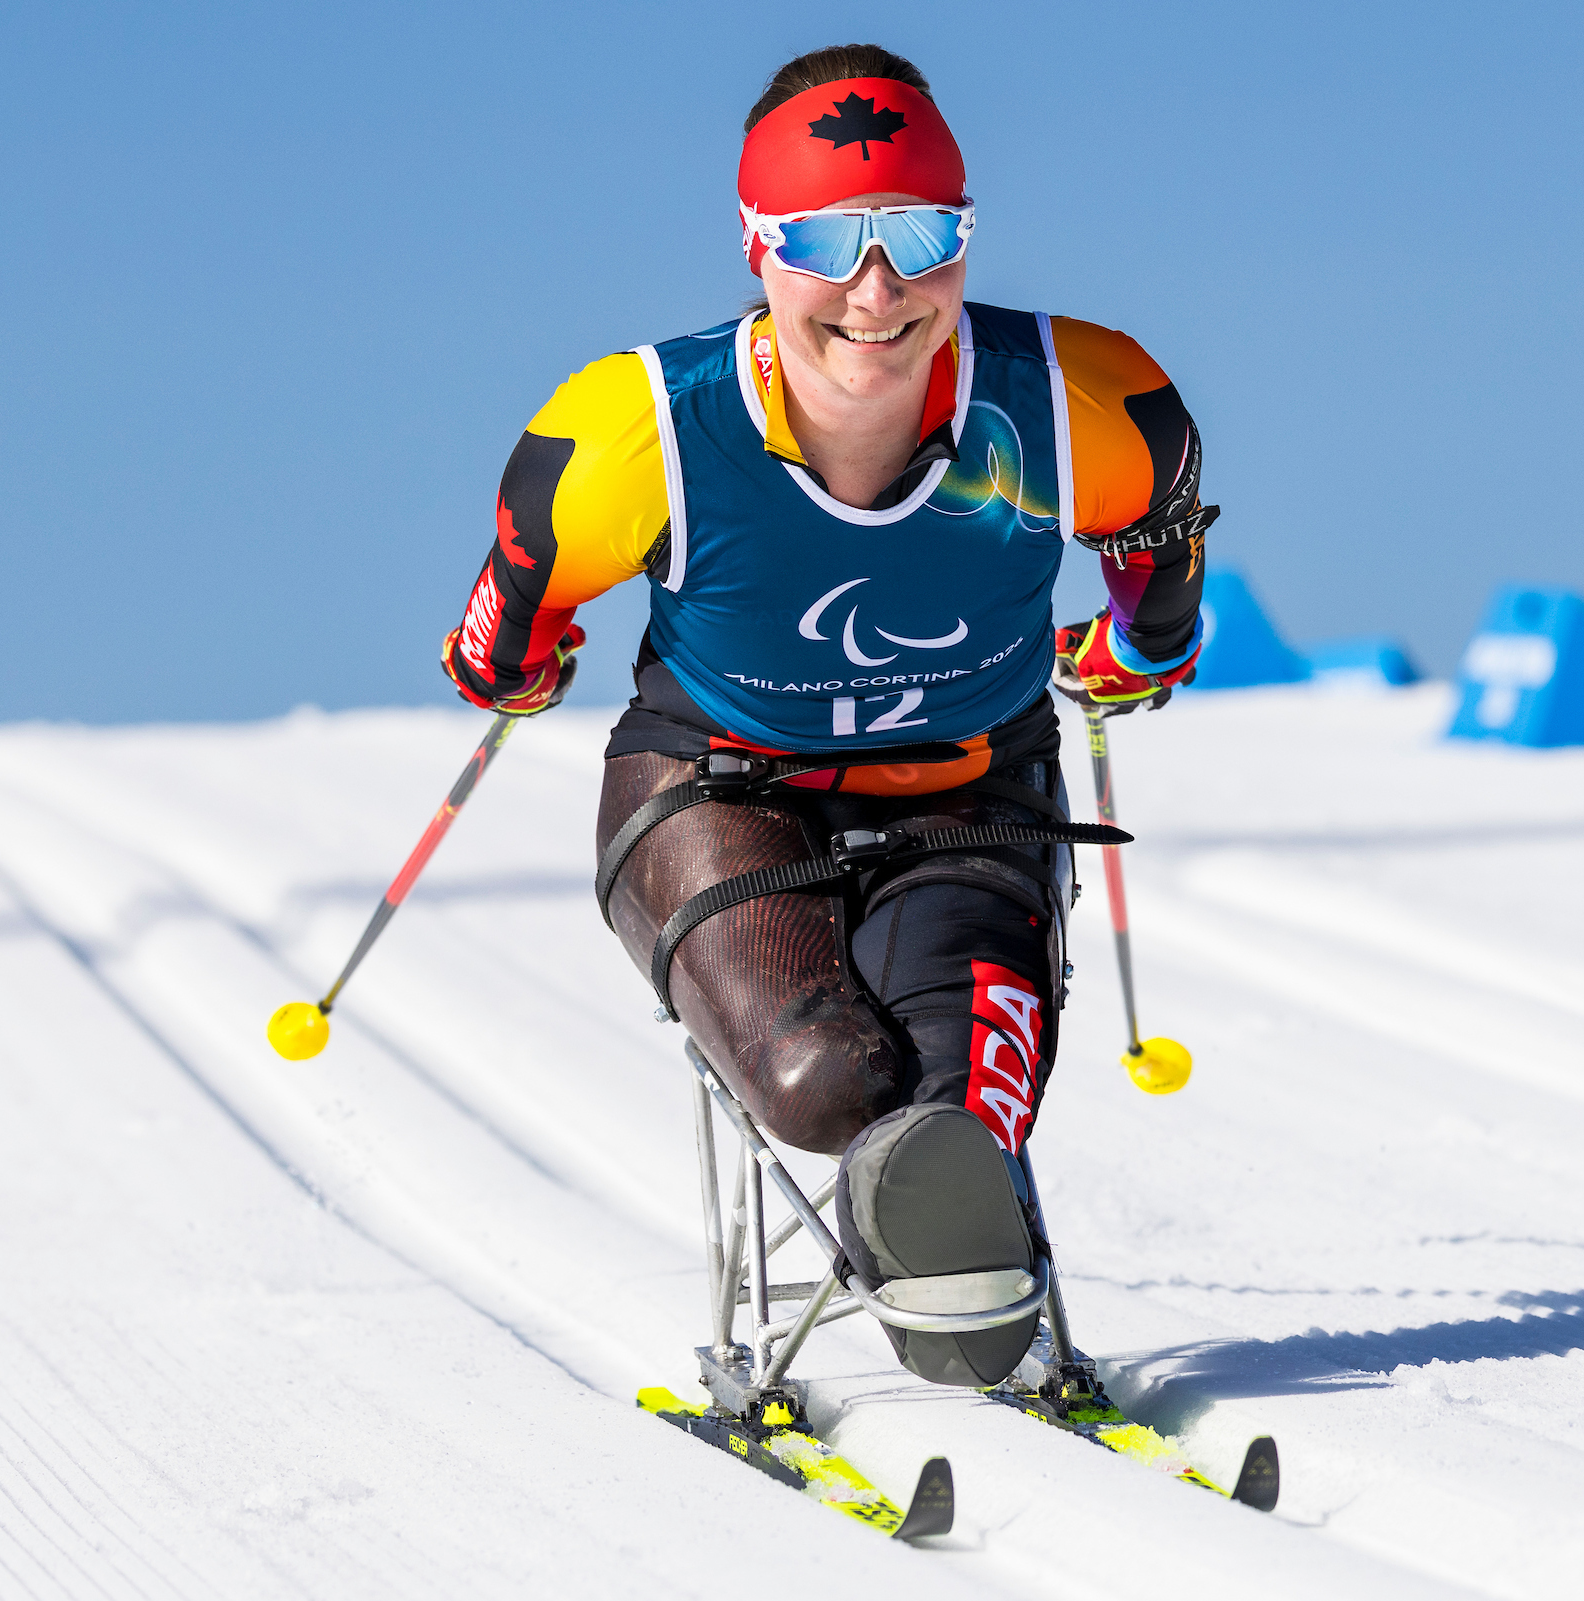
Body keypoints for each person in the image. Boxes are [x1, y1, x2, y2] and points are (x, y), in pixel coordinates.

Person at [439, 43, 1213, 1387]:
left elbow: (1160, 576)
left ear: (963, 235)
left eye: (917, 235)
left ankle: (956, 1291)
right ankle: (935, 1271)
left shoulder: (1085, 404)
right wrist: (515, 662)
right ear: (758, 246)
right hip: (715, 788)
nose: (876, 288)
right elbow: (506, 618)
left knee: (960, 1103)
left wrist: (1131, 652)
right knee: (822, 1078)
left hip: (969, 788)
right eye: (823, 241)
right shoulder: (636, 433)